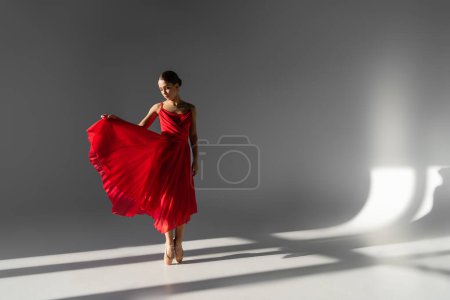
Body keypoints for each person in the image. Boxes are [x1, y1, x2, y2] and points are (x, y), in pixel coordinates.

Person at [87, 70, 198, 265]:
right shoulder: (158, 107)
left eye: (167, 88)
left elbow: (193, 136)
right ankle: (168, 244)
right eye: (161, 89)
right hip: (164, 157)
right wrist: (116, 121)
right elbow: (140, 128)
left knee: (182, 197)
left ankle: (179, 242)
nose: (164, 92)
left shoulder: (190, 108)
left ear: (177, 86)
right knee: (166, 198)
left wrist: (196, 160)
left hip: (182, 157)